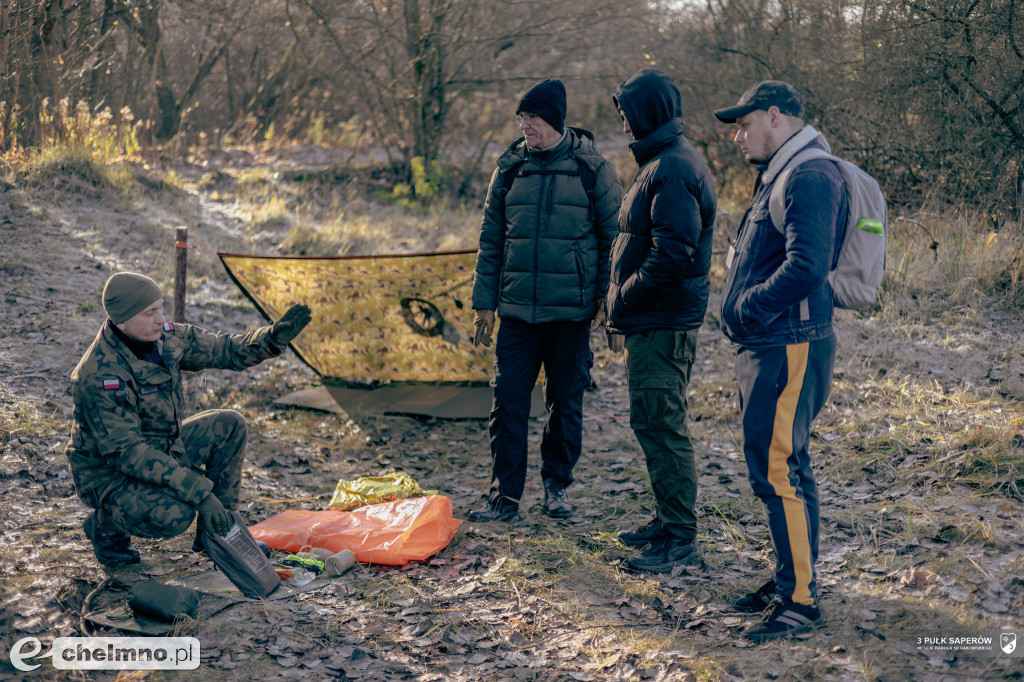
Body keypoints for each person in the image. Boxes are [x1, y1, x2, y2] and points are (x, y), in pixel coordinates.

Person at [714, 80, 848, 641]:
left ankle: (799, 603)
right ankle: (793, 579)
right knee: (787, 464)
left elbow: (807, 267)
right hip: (777, 341)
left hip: (788, 341)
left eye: (744, 125)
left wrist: (747, 307)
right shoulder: (782, 171)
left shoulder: (809, 174)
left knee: (777, 469)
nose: (738, 137)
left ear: (775, 116)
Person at [66, 272, 312, 567]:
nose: (160, 319)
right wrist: (201, 495)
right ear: (122, 321)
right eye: (149, 312)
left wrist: (270, 339)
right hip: (111, 477)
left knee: (229, 425)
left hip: (159, 448)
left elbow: (224, 349)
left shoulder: (165, 337)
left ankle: (218, 535)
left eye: (160, 308)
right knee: (175, 514)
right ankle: (106, 528)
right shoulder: (99, 375)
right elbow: (129, 454)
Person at [469, 78, 622, 522]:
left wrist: (608, 304)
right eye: (521, 118)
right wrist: (484, 304)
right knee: (507, 404)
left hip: (571, 314)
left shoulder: (593, 170)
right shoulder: (509, 169)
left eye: (531, 118)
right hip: (517, 312)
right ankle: (504, 496)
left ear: (553, 120)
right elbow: (490, 241)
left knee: (565, 405)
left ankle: (557, 487)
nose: (524, 126)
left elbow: (615, 244)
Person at [606, 68, 717, 573]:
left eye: (628, 114)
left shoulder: (672, 167)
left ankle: (681, 539)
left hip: (661, 322)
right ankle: (668, 522)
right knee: (652, 423)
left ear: (648, 112)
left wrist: (625, 297)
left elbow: (673, 254)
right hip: (654, 320)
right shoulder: (663, 160)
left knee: (662, 425)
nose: (624, 123)